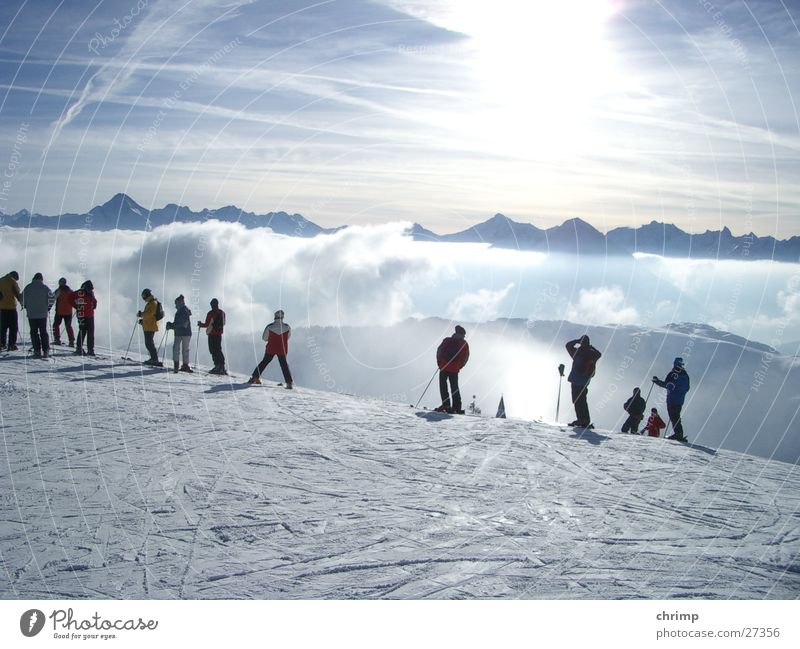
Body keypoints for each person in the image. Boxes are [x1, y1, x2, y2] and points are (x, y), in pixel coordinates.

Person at [248, 310, 293, 388]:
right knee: (284, 365)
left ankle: (255, 377)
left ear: (274, 317)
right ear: (282, 317)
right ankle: (289, 382)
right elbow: (288, 337)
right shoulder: (287, 327)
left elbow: (264, 338)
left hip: (271, 348)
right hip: (282, 349)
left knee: (264, 362)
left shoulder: (270, 326)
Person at [565, 334, 602, 428]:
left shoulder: (577, 352)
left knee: (577, 401)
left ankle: (581, 420)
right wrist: (590, 347)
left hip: (576, 380)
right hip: (585, 381)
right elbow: (599, 354)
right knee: (582, 401)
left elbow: (568, 345)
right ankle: (584, 420)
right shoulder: (592, 354)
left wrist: (577, 341)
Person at [653, 357, 691, 442]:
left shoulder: (673, 374)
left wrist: (657, 382)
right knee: (675, 416)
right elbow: (687, 388)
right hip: (679, 400)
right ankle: (678, 433)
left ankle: (678, 434)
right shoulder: (684, 375)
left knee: (674, 416)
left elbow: (667, 384)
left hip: (672, 399)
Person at [435, 325, 470, 414]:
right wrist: (459, 366)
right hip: (454, 369)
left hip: (444, 366)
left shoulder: (447, 340)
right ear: (462, 334)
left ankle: (446, 405)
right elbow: (465, 358)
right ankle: (457, 407)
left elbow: (439, 351)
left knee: (443, 387)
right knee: (454, 388)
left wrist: (439, 363)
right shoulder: (464, 344)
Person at [21, 273, 54, 358]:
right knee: (43, 332)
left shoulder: (28, 287)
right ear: (41, 279)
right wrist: (48, 307)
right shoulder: (45, 288)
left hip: (32, 314)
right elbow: (52, 298)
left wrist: (25, 305)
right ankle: (46, 350)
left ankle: (37, 350)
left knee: (34, 332)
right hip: (43, 314)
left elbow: (22, 299)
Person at [198, 298, 226, 375]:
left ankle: (217, 366)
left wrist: (201, 325)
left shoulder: (210, 313)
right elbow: (223, 323)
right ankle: (221, 366)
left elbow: (207, 324)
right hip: (218, 334)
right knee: (218, 349)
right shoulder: (222, 313)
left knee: (213, 350)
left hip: (211, 334)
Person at [166, 295, 193, 373]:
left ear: (179, 302)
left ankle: (177, 365)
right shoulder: (185, 310)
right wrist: (172, 325)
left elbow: (181, 323)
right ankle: (185, 365)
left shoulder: (182, 311)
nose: (175, 305)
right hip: (186, 333)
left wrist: (171, 325)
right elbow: (182, 323)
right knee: (185, 349)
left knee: (176, 349)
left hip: (180, 333)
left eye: (176, 303)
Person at [137, 289, 162, 366]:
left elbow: (150, 314)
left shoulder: (153, 303)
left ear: (147, 295)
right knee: (149, 343)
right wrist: (143, 321)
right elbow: (149, 316)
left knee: (149, 343)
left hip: (151, 326)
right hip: (149, 325)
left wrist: (142, 314)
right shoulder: (150, 303)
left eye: (144, 296)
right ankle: (153, 358)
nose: (143, 298)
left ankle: (154, 359)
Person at [71, 280, 97, 356]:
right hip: (82, 315)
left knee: (89, 333)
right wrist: (76, 305)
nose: (90, 290)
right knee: (83, 331)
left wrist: (94, 304)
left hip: (89, 315)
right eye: (89, 288)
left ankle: (89, 350)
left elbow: (94, 300)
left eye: (91, 288)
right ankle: (80, 348)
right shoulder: (79, 293)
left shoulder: (90, 293)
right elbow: (70, 298)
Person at [0, 270, 23, 351]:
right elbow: (17, 293)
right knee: (13, 328)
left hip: (2, 308)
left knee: (2, 328)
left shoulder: (1, 280)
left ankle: (2, 344)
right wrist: (22, 303)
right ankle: (11, 345)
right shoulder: (13, 282)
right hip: (11, 308)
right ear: (15, 277)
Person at [52, 277, 75, 346]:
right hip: (68, 312)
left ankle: (57, 339)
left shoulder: (58, 291)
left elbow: (52, 298)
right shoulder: (70, 291)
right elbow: (75, 299)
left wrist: (48, 307)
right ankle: (71, 341)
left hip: (59, 311)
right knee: (68, 326)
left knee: (55, 325)